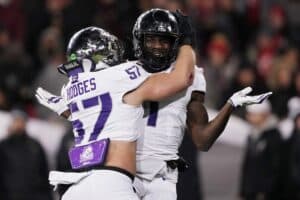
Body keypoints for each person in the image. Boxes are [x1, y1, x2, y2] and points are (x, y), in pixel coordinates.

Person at [37, 9, 272, 200]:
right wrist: (188, 43)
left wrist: (229, 105)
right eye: (152, 39)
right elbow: (179, 79)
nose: (158, 46)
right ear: (139, 40)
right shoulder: (129, 73)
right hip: (122, 175)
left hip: (154, 177)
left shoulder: (114, 76)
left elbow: (202, 139)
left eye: (165, 41)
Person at [35, 12, 196, 200]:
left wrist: (68, 112)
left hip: (76, 189)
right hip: (112, 184)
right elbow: (182, 78)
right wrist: (186, 41)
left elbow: (101, 114)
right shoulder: (122, 77)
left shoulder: (70, 88)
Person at [0, 109, 53, 200]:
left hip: (35, 195)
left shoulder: (35, 145)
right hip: (11, 195)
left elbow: (44, 172)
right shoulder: (3, 146)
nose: (19, 124)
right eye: (16, 121)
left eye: (21, 121)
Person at [238, 100, 283, 200]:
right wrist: (243, 190)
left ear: (264, 115)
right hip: (251, 189)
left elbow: (276, 165)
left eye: (253, 114)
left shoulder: (273, 136)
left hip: (266, 191)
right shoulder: (252, 134)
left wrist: (267, 190)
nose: (249, 117)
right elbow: (247, 164)